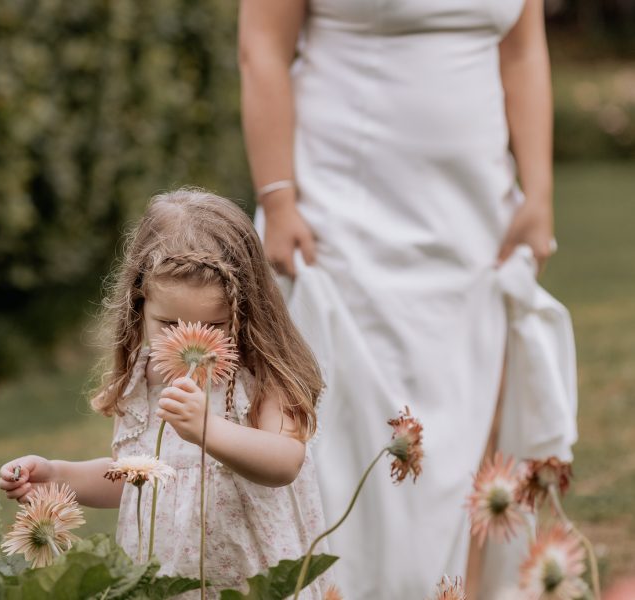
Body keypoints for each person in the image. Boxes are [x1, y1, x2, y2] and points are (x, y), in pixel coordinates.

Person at [239, 0, 577, 598]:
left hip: (475, 229)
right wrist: (279, 197)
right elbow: (261, 47)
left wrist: (540, 191)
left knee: (462, 449)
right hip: (342, 225)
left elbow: (523, 51)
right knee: (358, 447)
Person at [0, 189, 333, 598]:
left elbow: (284, 462)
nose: (189, 340)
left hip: (251, 577)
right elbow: (137, 479)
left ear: (248, 309)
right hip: (171, 576)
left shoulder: (262, 373)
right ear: (138, 304)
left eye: (215, 326)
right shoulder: (146, 375)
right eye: (168, 323)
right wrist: (58, 476)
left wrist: (209, 429)